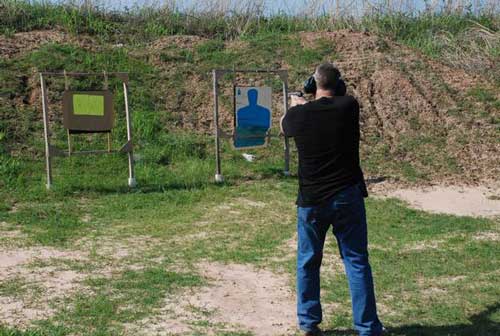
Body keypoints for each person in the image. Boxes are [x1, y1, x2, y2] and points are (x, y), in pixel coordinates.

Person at [281, 63, 384, 336]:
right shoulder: (348, 106)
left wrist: (297, 101)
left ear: (314, 86)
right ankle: (367, 327)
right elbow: (339, 96)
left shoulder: (298, 116)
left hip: (311, 200)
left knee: (307, 261)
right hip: (346, 196)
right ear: (338, 86)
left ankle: (308, 322)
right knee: (356, 261)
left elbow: (285, 126)